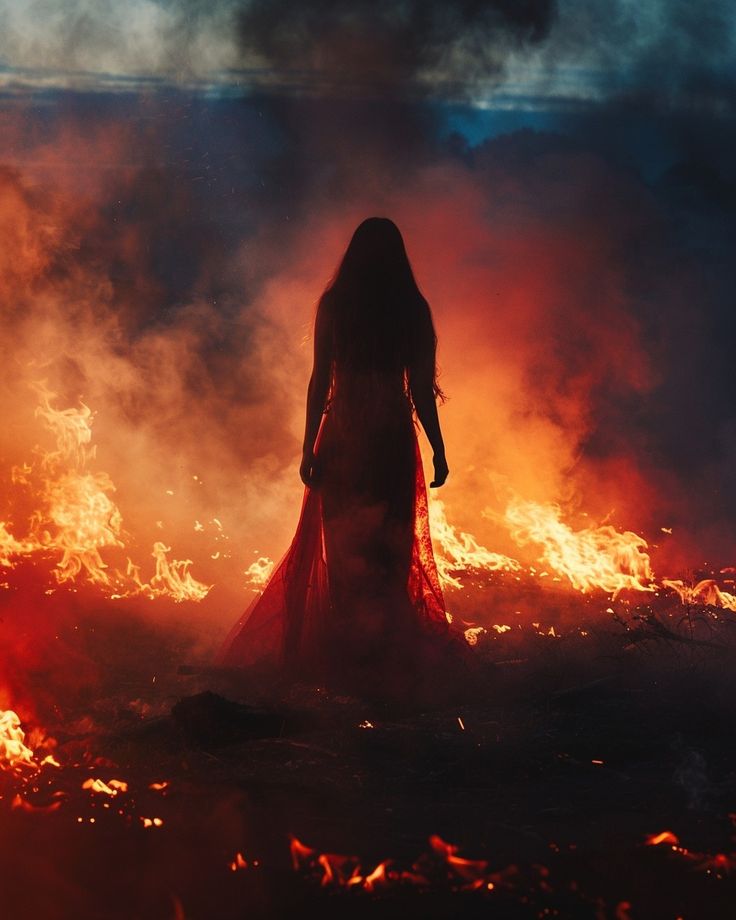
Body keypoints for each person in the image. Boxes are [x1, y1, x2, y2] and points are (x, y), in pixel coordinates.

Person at [218, 217, 468, 700]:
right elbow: (419, 389)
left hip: (346, 434)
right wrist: (437, 447)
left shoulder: (337, 304)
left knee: (346, 551)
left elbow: (320, 381)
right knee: (390, 553)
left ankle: (350, 659)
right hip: (391, 438)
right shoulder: (411, 308)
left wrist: (310, 444)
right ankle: (384, 661)